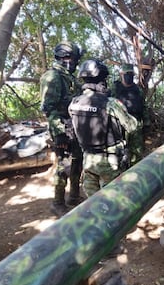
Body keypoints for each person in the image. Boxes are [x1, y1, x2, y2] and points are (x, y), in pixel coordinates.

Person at [69, 59, 138, 197]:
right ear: (101, 80)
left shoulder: (74, 103)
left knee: (93, 204)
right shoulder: (110, 103)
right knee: (113, 203)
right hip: (109, 161)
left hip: (88, 161)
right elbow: (132, 126)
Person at [40, 41, 84, 217]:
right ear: (65, 57)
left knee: (77, 162)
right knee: (63, 166)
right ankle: (57, 202)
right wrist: (59, 133)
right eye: (73, 58)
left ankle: (74, 196)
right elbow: (48, 108)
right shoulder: (52, 77)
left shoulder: (69, 77)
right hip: (62, 128)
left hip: (74, 127)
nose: (74, 63)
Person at [112, 63, 149, 166]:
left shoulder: (138, 90)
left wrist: (147, 122)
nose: (129, 76)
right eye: (126, 74)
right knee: (119, 153)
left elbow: (144, 106)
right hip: (119, 125)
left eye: (131, 74)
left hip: (135, 124)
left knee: (136, 153)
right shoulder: (115, 89)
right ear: (121, 74)